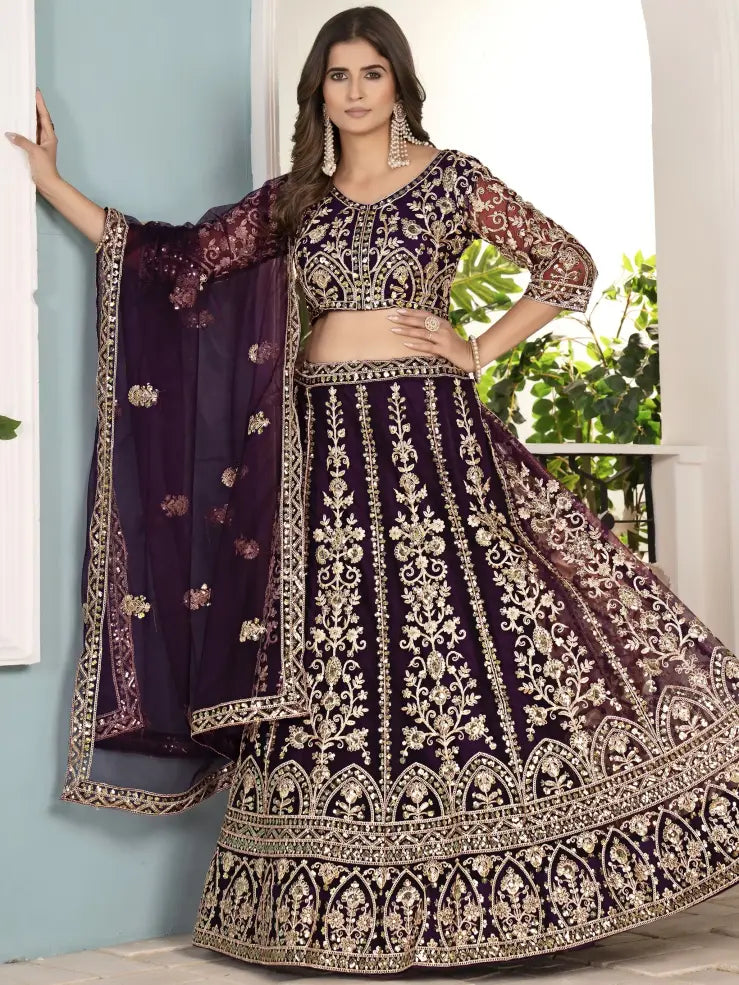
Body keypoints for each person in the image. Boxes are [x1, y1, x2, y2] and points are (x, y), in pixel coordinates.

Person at [8, 5, 739, 974]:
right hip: (323, 447)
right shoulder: (296, 198)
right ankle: (331, 903)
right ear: (318, 93)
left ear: (399, 84)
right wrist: (53, 180)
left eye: (369, 74)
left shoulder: (452, 181)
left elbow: (566, 265)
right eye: (336, 78)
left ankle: (496, 886)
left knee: (465, 637)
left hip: (429, 433)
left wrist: (476, 345)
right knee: (334, 648)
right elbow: (173, 260)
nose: (352, 93)